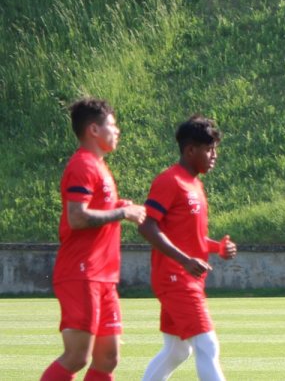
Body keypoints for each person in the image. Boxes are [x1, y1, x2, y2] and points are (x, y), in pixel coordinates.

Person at [41, 98, 146, 381]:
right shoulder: (83, 165)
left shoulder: (99, 166)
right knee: (77, 356)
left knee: (108, 358)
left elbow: (93, 210)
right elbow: (77, 217)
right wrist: (123, 212)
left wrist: (117, 207)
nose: (118, 131)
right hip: (81, 272)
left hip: (103, 276)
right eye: (112, 125)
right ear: (94, 130)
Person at [139, 115, 238, 381]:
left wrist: (218, 248)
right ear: (190, 150)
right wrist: (184, 261)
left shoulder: (195, 184)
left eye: (214, 148)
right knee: (208, 345)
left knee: (177, 351)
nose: (214, 155)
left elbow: (190, 238)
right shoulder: (169, 181)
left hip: (185, 278)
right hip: (176, 279)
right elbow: (147, 226)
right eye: (208, 149)